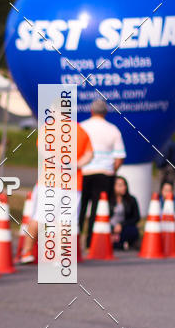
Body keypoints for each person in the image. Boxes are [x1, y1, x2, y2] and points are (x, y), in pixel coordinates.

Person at [21, 123, 93, 263]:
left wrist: (57, 162)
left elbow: (42, 149)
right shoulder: (81, 131)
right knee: (65, 221)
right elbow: (89, 155)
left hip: (49, 181)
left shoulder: (48, 127)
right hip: (72, 183)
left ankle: (26, 252)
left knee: (39, 217)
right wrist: (75, 165)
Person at [79, 99, 126, 248]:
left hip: (84, 173)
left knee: (79, 208)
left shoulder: (82, 127)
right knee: (97, 211)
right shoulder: (113, 130)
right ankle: (91, 243)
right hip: (105, 174)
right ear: (105, 113)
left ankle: (74, 242)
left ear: (91, 111)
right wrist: (112, 171)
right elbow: (120, 157)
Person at [109, 176, 140, 249]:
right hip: (110, 227)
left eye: (124, 185)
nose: (123, 187)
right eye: (120, 185)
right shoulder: (108, 199)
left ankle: (120, 243)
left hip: (124, 228)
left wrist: (121, 225)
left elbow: (136, 217)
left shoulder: (131, 199)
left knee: (133, 230)